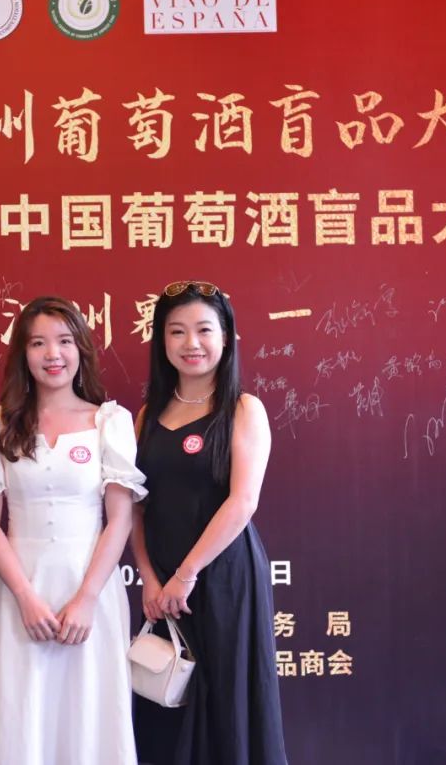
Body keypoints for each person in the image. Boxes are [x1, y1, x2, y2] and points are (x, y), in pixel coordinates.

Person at [0, 296, 145, 765]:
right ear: (23, 353)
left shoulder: (110, 422)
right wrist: (25, 596)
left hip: (91, 590)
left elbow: (120, 519)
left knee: (88, 712)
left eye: (64, 341)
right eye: (38, 343)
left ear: (81, 348)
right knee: (19, 710)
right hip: (18, 590)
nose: (52, 354)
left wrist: (86, 599)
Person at [130, 280, 287, 765]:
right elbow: (136, 506)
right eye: (176, 331)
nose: (191, 343)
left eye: (204, 330)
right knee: (165, 698)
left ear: (226, 337)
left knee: (226, 702)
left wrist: (187, 573)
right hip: (163, 585)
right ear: (162, 340)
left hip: (222, 578)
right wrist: (150, 578)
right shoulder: (147, 415)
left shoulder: (243, 409)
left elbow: (243, 502)